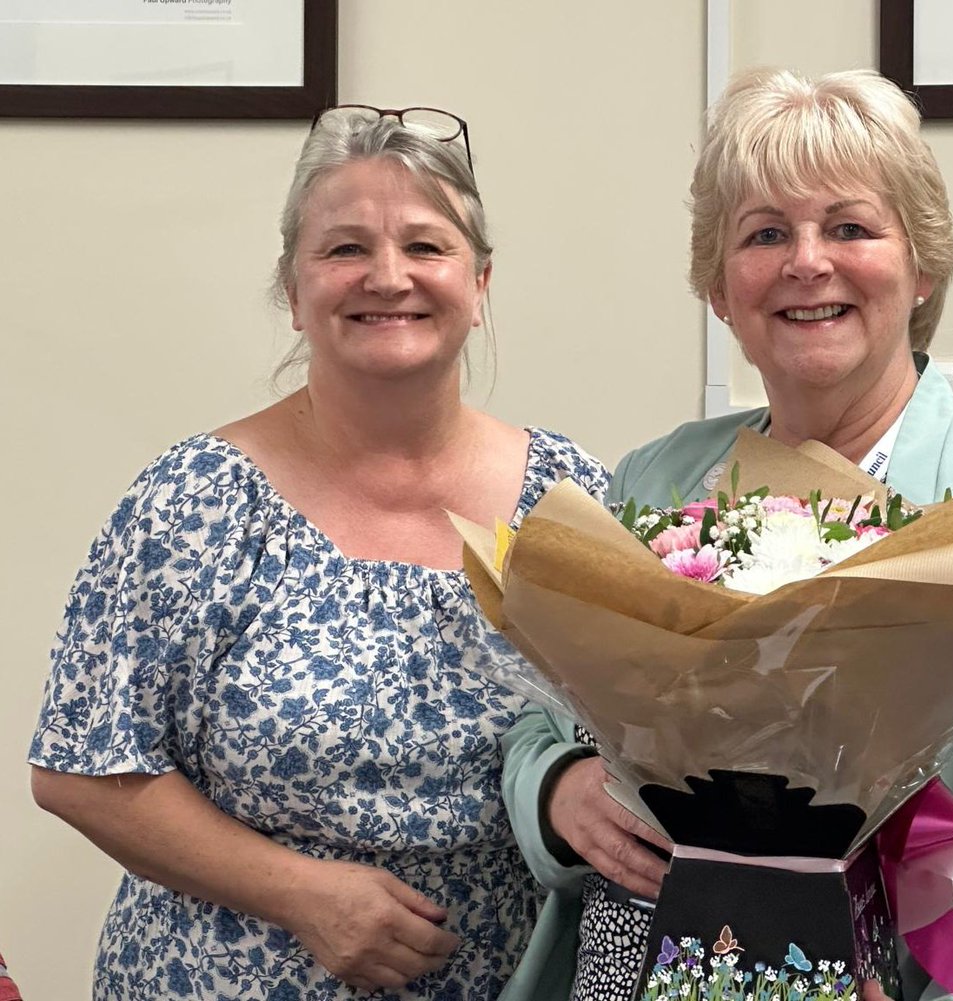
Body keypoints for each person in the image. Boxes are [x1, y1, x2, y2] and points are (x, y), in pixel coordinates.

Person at [500, 69, 953, 1001]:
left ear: (920, 266)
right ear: (721, 289)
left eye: (849, 227)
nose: (807, 262)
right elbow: (543, 721)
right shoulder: (654, 479)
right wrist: (557, 787)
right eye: (765, 233)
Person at [29, 105, 608, 1000]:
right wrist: (305, 895)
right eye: (344, 250)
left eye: (426, 246)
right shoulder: (196, 502)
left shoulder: (570, 500)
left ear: (480, 282)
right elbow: (83, 768)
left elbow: (625, 742)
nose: (388, 276)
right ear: (294, 293)